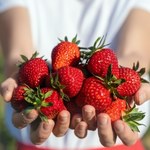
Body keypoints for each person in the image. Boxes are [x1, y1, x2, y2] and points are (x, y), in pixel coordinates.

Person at [0, 0, 150, 150]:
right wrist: (22, 75)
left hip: (118, 144)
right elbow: (17, 53)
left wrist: (126, 77)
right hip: (36, 143)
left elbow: (134, 53)